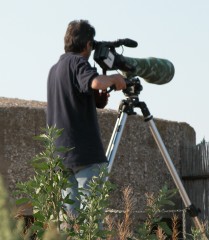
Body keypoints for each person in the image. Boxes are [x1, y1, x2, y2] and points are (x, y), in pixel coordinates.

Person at [46, 19, 126, 220]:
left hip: (61, 156)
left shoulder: (55, 69)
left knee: (70, 221)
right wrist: (116, 79)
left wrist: (96, 98)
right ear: (88, 44)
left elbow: (77, 96)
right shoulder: (78, 62)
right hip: (85, 155)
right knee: (91, 220)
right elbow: (96, 81)